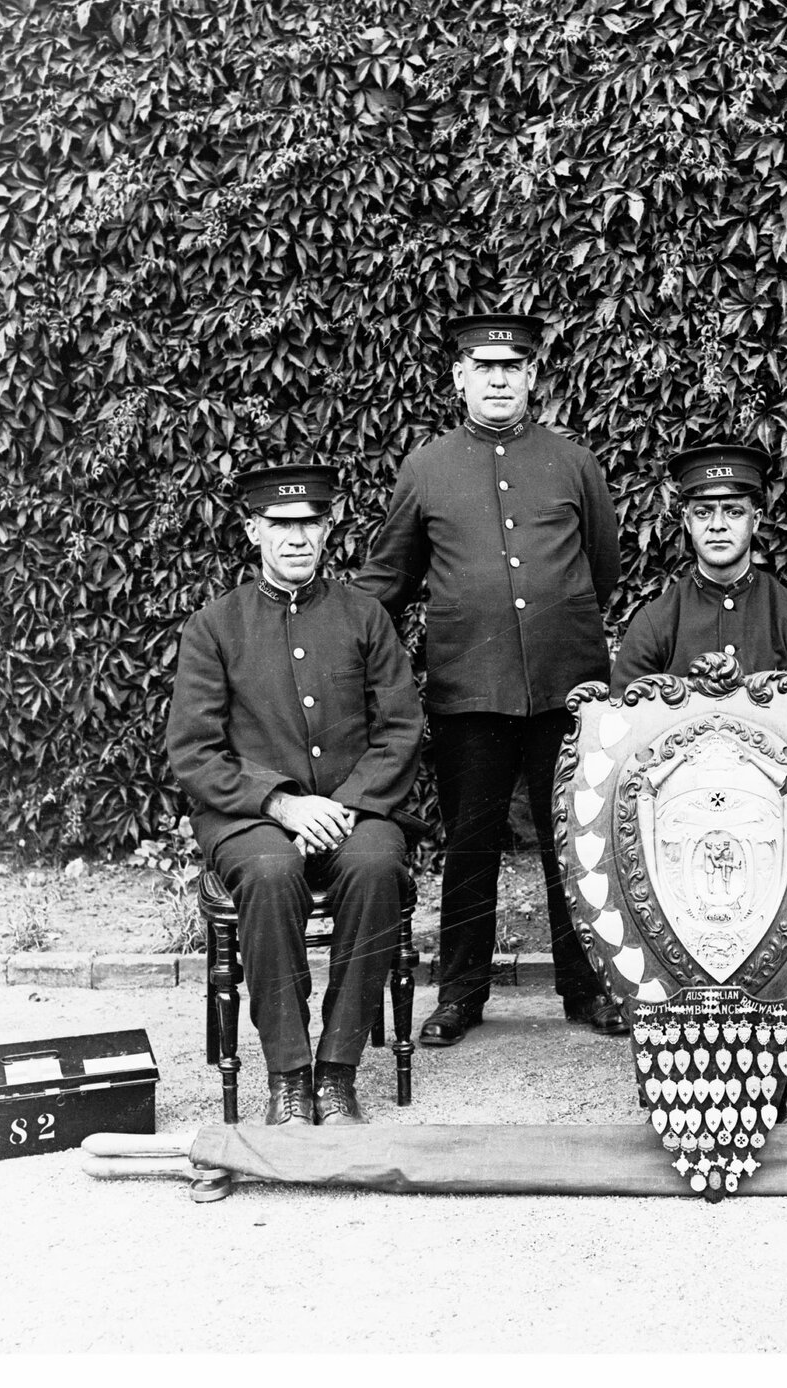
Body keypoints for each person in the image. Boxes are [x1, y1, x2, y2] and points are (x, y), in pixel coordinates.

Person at [355, 311, 627, 1043]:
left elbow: (601, 569)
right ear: (460, 380)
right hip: (467, 688)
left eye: (513, 368)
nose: (499, 380)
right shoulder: (427, 467)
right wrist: (332, 628)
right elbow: (391, 576)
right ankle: (461, 997)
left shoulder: (573, 463)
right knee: (470, 845)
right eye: (485, 369)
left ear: (533, 377)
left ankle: (588, 990)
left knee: (576, 842)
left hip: (566, 688)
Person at [166, 461, 424, 1126]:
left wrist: (343, 806)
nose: (296, 537)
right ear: (254, 529)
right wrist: (281, 804)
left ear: (329, 525)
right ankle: (287, 1075)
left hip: (352, 808)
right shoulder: (214, 628)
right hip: (250, 818)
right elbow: (193, 751)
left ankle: (336, 1072)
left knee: (374, 865)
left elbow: (401, 729)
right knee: (273, 869)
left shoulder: (364, 618)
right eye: (280, 524)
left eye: (309, 522)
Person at [610, 442, 787, 690]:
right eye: (703, 513)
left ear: (756, 520)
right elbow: (628, 720)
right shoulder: (653, 625)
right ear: (687, 521)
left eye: (734, 512)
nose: (717, 525)